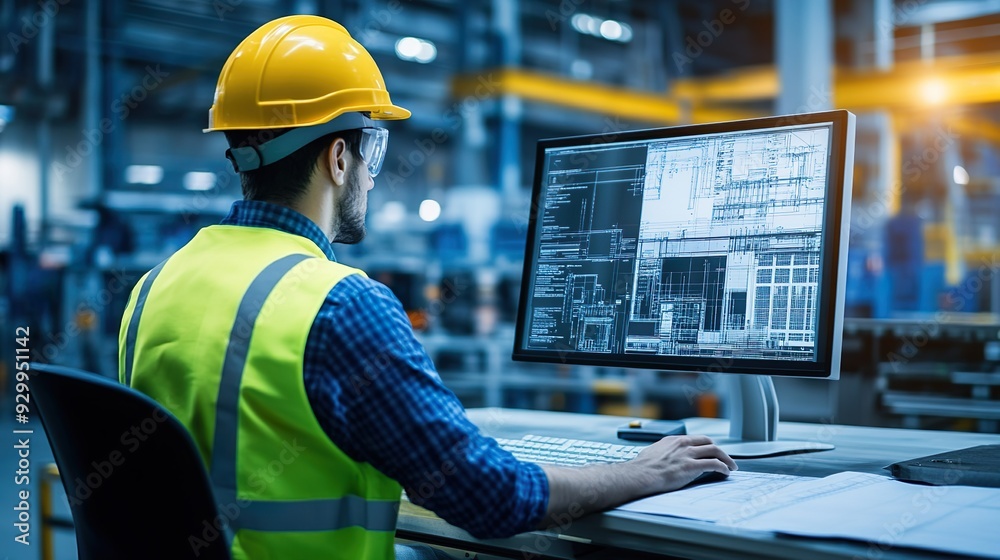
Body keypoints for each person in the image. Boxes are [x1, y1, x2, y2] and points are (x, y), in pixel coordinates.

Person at [118, 15, 737, 560]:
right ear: (339, 159)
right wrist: (637, 472)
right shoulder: (338, 306)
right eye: (370, 154)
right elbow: (488, 498)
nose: (369, 175)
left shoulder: (152, 290)